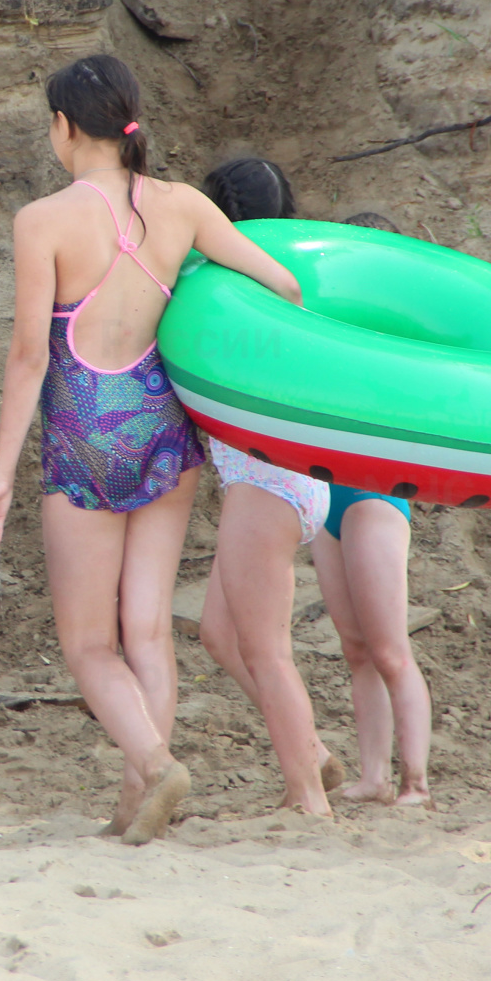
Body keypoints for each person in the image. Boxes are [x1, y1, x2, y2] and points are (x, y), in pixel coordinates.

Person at [0, 56, 301, 845]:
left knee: (89, 643)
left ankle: (153, 764)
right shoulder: (181, 205)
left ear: (63, 128)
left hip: (84, 438)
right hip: (162, 432)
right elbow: (278, 284)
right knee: (147, 630)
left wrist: (0, 475)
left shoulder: (41, 221)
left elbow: (29, 357)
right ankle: (133, 801)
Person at [192, 157, 338, 816]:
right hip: (293, 483)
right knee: (220, 635)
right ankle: (315, 755)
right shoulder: (296, 276)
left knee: (267, 650)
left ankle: (307, 795)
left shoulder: (232, 287)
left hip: (262, 479)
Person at [311, 211, 433, 807]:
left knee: (388, 649)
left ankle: (416, 781)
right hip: (324, 492)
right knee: (355, 647)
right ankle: (374, 777)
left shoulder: (405, 338)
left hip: (376, 494)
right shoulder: (329, 325)